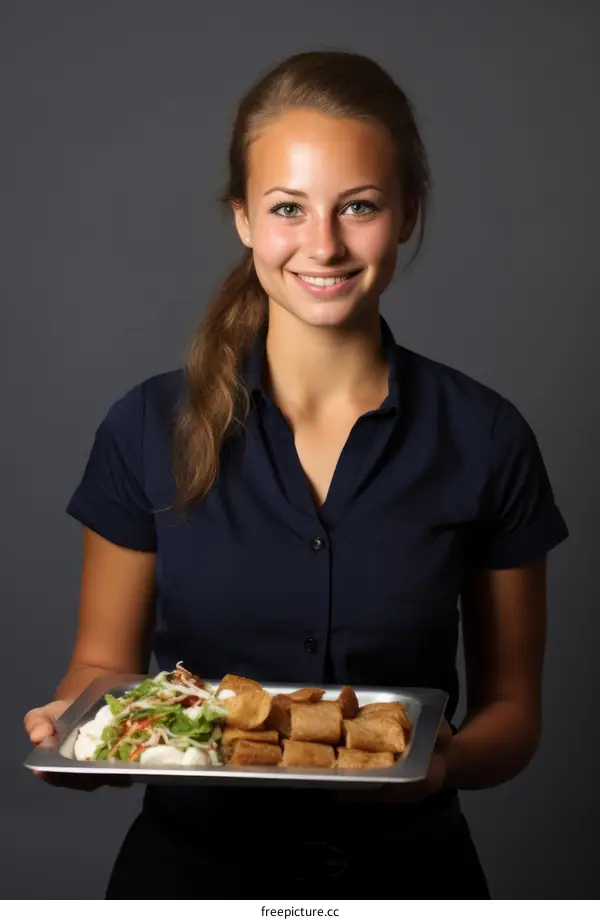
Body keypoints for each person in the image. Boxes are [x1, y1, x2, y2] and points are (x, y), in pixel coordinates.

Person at [24, 50, 568, 898]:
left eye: (359, 207)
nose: (323, 244)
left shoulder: (487, 436)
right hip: (189, 880)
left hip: (410, 879)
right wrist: (81, 734)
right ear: (244, 219)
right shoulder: (145, 427)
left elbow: (514, 718)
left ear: (407, 215)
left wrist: (431, 764)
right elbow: (100, 667)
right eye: (288, 208)